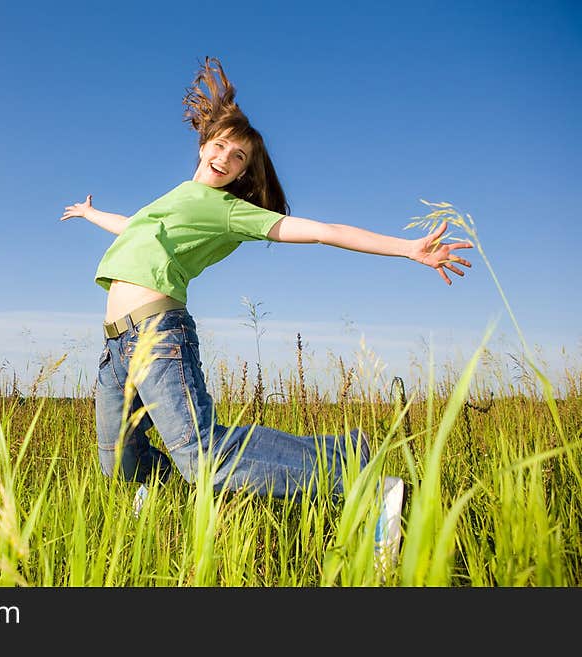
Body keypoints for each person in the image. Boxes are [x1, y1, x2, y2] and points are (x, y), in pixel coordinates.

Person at [60, 57, 473, 559]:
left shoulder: (230, 211)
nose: (226, 158)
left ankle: (363, 482)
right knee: (119, 458)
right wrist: (87, 212)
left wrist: (407, 248)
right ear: (203, 144)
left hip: (156, 334)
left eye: (238, 157)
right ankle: (168, 520)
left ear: (242, 172)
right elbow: (130, 226)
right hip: (115, 347)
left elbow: (323, 231)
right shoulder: (168, 203)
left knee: (200, 451)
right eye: (221, 146)